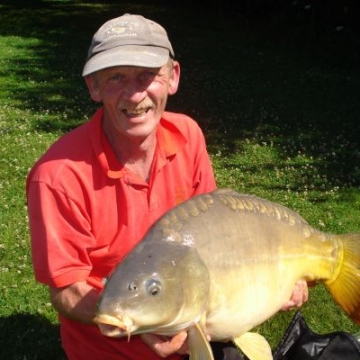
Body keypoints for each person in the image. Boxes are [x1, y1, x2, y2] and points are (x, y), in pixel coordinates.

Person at [26, 13, 308, 360]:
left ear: (172, 77)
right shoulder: (57, 177)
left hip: (191, 325)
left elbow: (214, 234)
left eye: (148, 75)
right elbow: (66, 289)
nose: (135, 94)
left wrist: (271, 281)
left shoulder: (188, 136)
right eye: (116, 77)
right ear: (93, 86)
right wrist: (133, 317)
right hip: (109, 349)